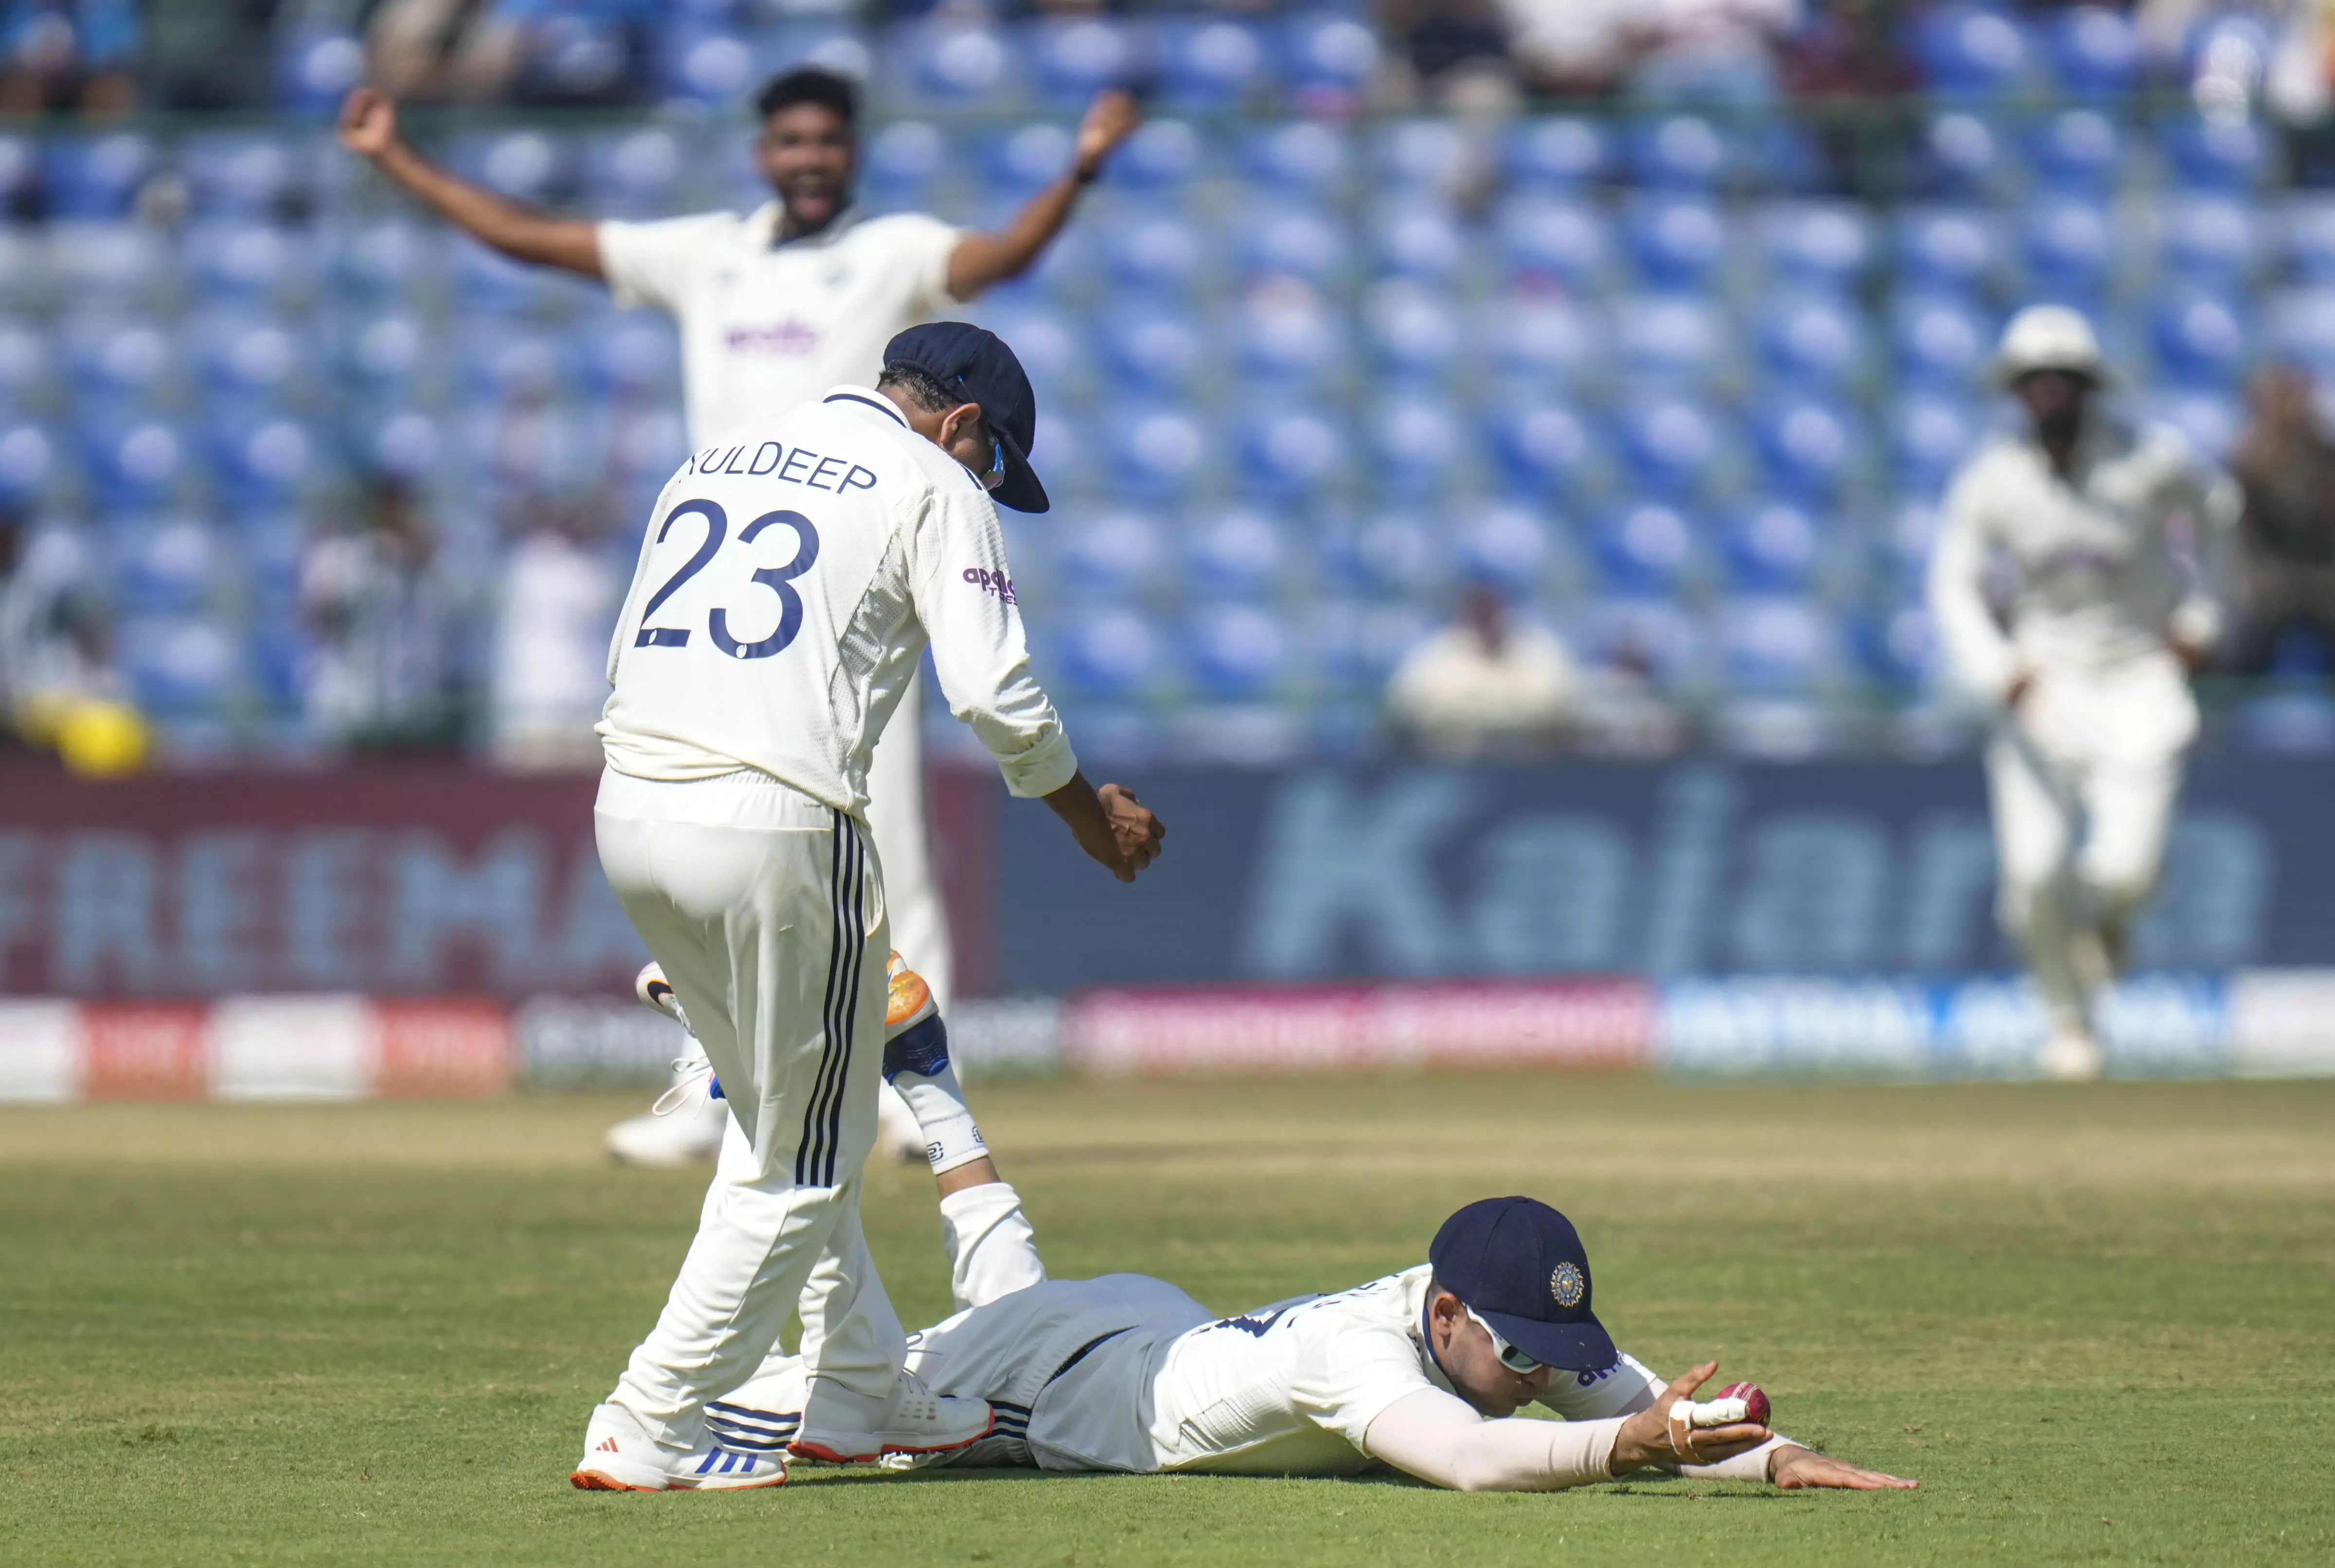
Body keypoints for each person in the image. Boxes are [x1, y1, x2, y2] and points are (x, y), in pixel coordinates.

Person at [339, 65, 1141, 1165]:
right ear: (764, 151)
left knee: (882, 840)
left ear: (851, 150)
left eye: (828, 141)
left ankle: (916, 1084)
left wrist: (1079, 172)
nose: (809, 158)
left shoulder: (891, 252)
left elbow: (999, 261)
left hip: (862, 587)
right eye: (791, 141)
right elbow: (534, 240)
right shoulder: (704, 254)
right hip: (739, 594)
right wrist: (395, 158)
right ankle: (710, 1086)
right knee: (741, 831)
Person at [571, 322, 1165, 1492]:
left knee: (782, 1118)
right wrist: (1090, 820)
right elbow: (995, 691)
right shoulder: (932, 482)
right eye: (992, 459)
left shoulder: (720, 455)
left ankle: (859, 1385)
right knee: (803, 1159)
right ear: (959, 426)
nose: (986, 481)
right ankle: (646, 1416)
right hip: (779, 824)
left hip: (629, 808)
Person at [701, 1167, 1917, 1495]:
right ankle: (790, 1117)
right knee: (820, 1402)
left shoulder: (1489, 1314)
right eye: (1517, 1354)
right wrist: (1625, 1453)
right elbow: (1477, 1460)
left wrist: (1772, 1454)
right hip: (1059, 1385)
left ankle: (925, 1074)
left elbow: (1626, 1399)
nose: (1539, 1376)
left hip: (1145, 1325)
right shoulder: (1362, 1354)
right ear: (1445, 1315)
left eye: (1551, 1351)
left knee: (1005, 1282)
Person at [1927, 305, 2239, 1081]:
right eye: (2035, 380)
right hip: (2043, 684)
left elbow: (2221, 516)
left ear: (2090, 386)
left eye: (2064, 379)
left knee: (2126, 869)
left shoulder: (2151, 459)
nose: (2050, 394)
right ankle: (2070, 1025)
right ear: (2016, 390)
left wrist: (2203, 619)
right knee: (2033, 874)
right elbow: (1952, 579)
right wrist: (2001, 671)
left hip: (2140, 676)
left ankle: (2107, 922)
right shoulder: (1993, 478)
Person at [2225, 363, 2335, 676]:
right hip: (2268, 575)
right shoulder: (2251, 453)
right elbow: (2242, 515)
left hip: (2322, 573)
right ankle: (2229, 705)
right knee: (2246, 628)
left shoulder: (2325, 453)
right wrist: (2273, 433)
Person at [1386, 580, 1576, 759]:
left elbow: (1556, 702)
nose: (1487, 618)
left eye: (1492, 610)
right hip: (1456, 765)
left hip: (1532, 765)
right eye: (1479, 610)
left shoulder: (1538, 649)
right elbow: (1413, 705)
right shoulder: (1437, 654)